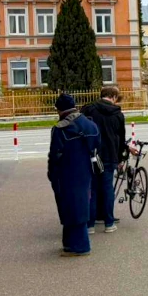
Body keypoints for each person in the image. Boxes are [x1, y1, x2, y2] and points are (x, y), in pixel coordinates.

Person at [47, 94, 100, 257]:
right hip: (86, 172)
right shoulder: (91, 125)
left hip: (66, 173)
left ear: (59, 109)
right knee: (80, 204)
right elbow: (98, 146)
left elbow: (55, 155)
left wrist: (51, 174)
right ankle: (69, 243)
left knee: (70, 207)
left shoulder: (61, 129)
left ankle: (81, 246)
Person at [82, 86, 125, 235]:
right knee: (107, 189)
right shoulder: (118, 114)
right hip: (110, 155)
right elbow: (121, 137)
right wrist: (120, 158)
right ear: (113, 97)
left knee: (91, 189)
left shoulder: (89, 110)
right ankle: (109, 223)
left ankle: (90, 225)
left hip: (91, 155)